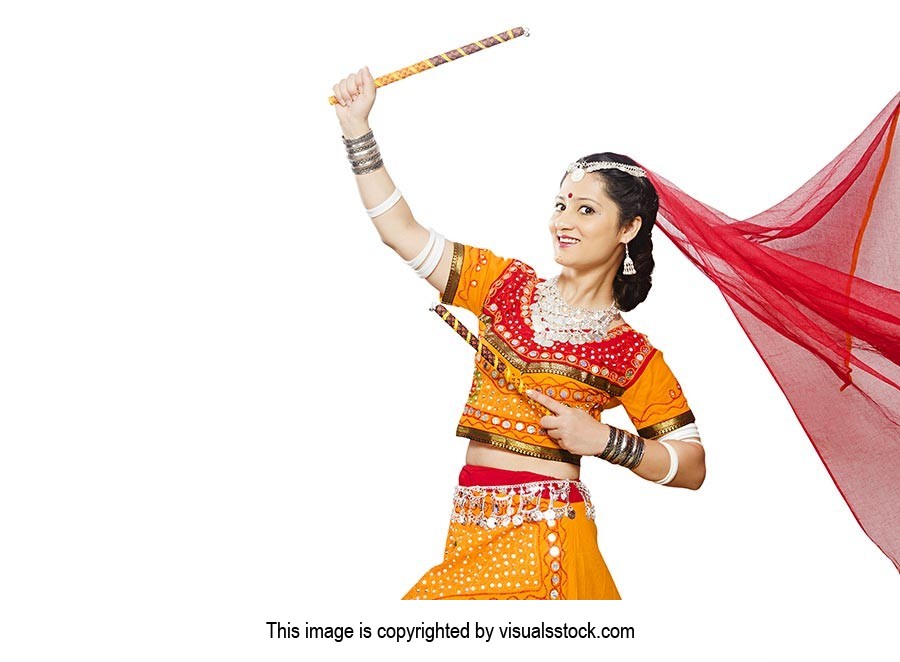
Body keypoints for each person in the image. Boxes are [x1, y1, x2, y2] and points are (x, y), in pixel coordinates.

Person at [331, 66, 705, 600]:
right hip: (468, 529)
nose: (562, 220)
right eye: (559, 205)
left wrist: (604, 441)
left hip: (546, 538)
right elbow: (401, 233)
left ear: (628, 228)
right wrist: (356, 130)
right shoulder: (503, 285)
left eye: (585, 209)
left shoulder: (631, 353)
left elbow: (691, 467)